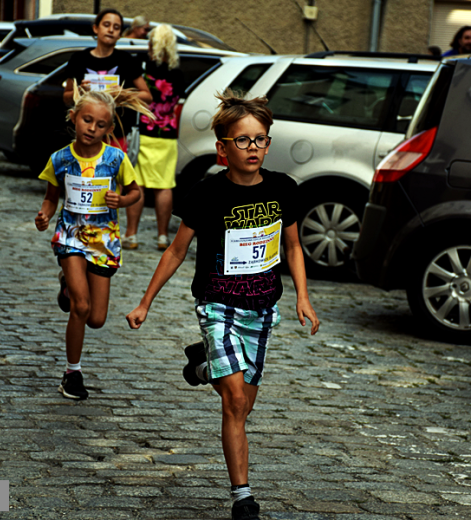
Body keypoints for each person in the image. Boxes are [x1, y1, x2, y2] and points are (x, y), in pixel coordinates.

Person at [126, 90, 320, 520]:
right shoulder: (207, 193)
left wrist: (303, 297)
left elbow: (292, 247)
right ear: (222, 148)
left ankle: (202, 367)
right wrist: (145, 302)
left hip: (262, 309)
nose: (254, 148)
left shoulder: (283, 189)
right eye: (244, 140)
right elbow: (176, 251)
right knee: (233, 401)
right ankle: (243, 497)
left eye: (261, 139)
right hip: (217, 304)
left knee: (244, 406)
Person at [35, 85, 151, 401]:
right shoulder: (60, 159)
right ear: (74, 118)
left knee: (97, 319)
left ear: (110, 128)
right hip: (71, 236)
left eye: (101, 125)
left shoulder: (116, 158)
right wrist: (44, 216)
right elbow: (50, 198)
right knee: (81, 306)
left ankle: (66, 286)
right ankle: (72, 373)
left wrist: (121, 199)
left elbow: (135, 191)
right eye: (87, 120)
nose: (92, 128)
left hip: (104, 242)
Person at [123, 24, 184, 251]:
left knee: (137, 184)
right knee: (164, 186)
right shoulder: (177, 72)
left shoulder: (143, 69)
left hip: (145, 132)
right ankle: (162, 237)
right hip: (167, 134)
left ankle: (131, 234)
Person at [62, 8, 151, 153]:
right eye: (106, 25)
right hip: (85, 136)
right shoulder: (79, 59)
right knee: (85, 174)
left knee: (111, 174)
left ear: (120, 34)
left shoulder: (126, 60)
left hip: (115, 136)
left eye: (116, 27)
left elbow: (147, 96)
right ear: (95, 28)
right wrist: (79, 92)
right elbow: (66, 98)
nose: (111, 30)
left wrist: (123, 93)